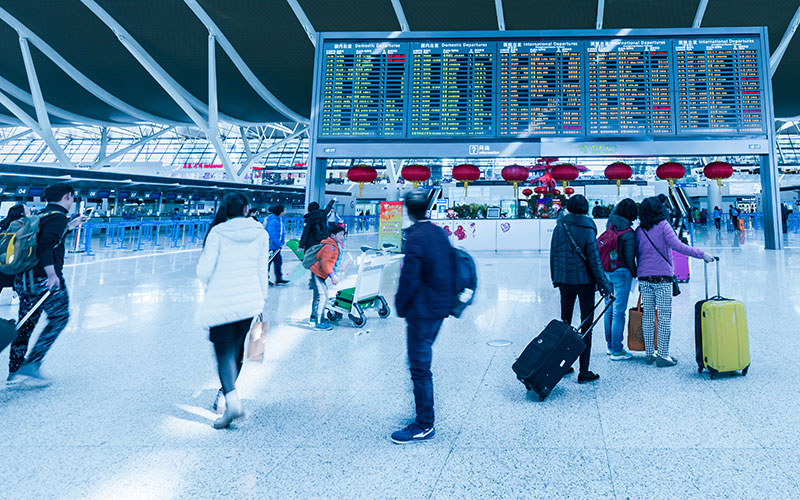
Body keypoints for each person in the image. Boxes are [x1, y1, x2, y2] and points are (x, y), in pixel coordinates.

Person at [196, 193, 269, 429]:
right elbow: (261, 270)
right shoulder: (261, 233)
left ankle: (231, 400)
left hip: (222, 301)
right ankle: (227, 396)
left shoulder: (218, 232)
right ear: (247, 208)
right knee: (237, 350)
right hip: (249, 302)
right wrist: (262, 299)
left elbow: (204, 272)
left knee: (223, 353)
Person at [8, 183, 88, 386]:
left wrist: (71, 225)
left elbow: (46, 239)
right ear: (68, 196)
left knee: (25, 323)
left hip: (25, 278)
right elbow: (45, 247)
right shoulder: (58, 217)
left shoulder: (41, 215)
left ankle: (15, 369)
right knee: (60, 318)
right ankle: (32, 364)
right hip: (45, 280)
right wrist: (52, 275)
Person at [392, 190, 454, 444]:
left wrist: (401, 305)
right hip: (439, 308)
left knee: (419, 368)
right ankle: (423, 415)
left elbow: (410, 277)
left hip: (422, 310)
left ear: (407, 210)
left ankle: (424, 424)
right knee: (421, 363)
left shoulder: (415, 237)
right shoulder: (439, 233)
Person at [636, 197, 715, 367]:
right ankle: (663, 355)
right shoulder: (663, 225)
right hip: (662, 278)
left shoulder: (639, 229)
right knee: (664, 317)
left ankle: (649, 353)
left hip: (643, 278)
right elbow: (678, 246)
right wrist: (702, 254)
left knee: (648, 316)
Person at [550, 194, 612, 384]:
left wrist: (556, 278)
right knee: (587, 327)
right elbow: (594, 261)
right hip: (585, 284)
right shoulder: (588, 229)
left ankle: (564, 364)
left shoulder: (560, 226)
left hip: (565, 283)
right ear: (586, 209)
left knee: (565, 325)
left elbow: (553, 254)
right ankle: (584, 371)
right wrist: (605, 285)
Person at [602, 199, 638, 361]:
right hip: (622, 272)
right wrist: (635, 273)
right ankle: (617, 350)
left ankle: (610, 346)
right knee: (619, 313)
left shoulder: (610, 225)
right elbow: (630, 258)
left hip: (606, 270)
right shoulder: (628, 232)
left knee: (608, 308)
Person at [309, 225, 345, 331]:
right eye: (340, 235)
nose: (342, 237)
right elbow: (325, 263)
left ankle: (313, 318)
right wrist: (332, 275)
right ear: (333, 235)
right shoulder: (330, 247)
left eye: (343, 235)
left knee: (318, 297)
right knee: (323, 297)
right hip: (318, 274)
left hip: (319, 274)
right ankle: (319, 323)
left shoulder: (333, 245)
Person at [0, 204, 29, 296]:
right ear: (21, 213)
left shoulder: (3, 224)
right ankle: (15, 294)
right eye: (26, 208)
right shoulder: (23, 225)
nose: (28, 209)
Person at [266, 204, 288, 286]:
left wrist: (282, 241)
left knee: (278, 262)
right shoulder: (273, 221)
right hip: (271, 246)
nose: (285, 211)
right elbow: (272, 235)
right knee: (268, 263)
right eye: (284, 209)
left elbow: (281, 232)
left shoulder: (280, 219)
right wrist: (279, 244)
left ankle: (279, 278)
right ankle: (266, 279)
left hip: (276, 246)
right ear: (281, 211)